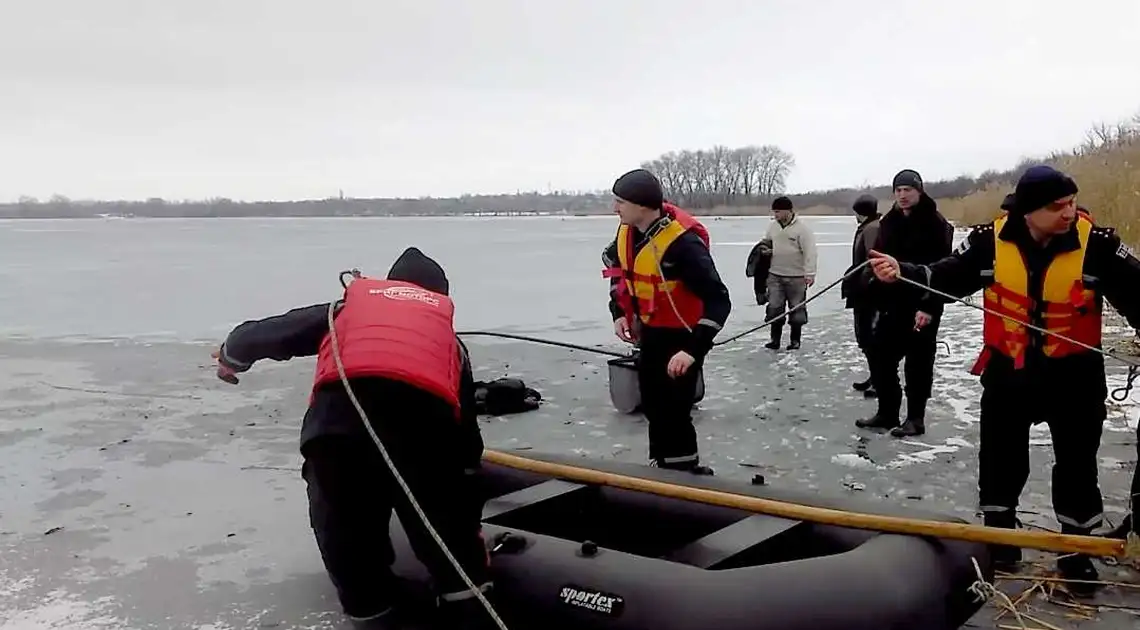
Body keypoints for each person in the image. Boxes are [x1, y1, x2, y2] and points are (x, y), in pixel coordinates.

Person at [866, 164, 1140, 595]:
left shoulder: (1098, 246)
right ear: (1030, 211)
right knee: (999, 461)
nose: (1070, 212)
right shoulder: (990, 242)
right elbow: (948, 275)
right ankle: (1000, 540)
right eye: (1058, 206)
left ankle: (1075, 553)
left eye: (1071, 203)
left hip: (1075, 378)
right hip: (1009, 373)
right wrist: (904, 272)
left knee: (1077, 467)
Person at [210, 247, 494, 629]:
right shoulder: (449, 342)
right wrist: (467, 475)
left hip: (335, 434)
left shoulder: (345, 310)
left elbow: (270, 332)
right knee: (447, 530)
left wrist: (233, 355)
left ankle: (371, 609)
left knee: (342, 526)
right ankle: (465, 605)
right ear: (439, 297)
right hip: (423, 432)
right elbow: (466, 438)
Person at [602, 168, 731, 475]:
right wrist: (619, 312)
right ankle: (662, 468)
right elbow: (618, 271)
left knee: (674, 411)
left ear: (643, 205)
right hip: (651, 334)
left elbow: (719, 300)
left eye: (620, 202)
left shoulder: (683, 246)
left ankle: (685, 471)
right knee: (654, 406)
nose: (615, 208)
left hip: (682, 339)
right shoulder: (627, 235)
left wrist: (692, 351)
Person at [855, 169, 954, 437]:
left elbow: (944, 271)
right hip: (892, 302)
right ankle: (887, 413)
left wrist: (930, 307)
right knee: (879, 355)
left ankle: (915, 419)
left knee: (918, 364)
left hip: (923, 302)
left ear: (919, 191)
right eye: (898, 190)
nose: (902, 195)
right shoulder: (889, 222)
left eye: (907, 190)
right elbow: (879, 259)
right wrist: (873, 289)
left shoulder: (937, 224)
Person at [761, 196, 817, 350]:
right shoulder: (772, 227)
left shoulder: (802, 229)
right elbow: (766, 243)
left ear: (789, 211)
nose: (775, 215)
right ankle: (775, 340)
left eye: (778, 211)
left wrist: (810, 273)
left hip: (797, 277)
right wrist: (764, 251)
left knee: (797, 309)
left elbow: (810, 252)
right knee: (774, 308)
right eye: (774, 211)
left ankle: (795, 340)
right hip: (775, 275)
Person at [841, 194, 882, 397]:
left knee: (871, 335)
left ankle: (879, 379)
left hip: (870, 291)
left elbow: (872, 260)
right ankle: (874, 376)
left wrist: (863, 283)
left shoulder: (872, 228)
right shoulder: (867, 227)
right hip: (862, 288)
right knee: (865, 335)